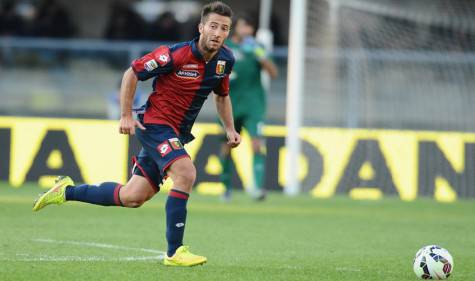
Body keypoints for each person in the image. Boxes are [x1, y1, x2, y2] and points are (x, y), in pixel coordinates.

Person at [32, 1, 239, 267]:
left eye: (224, 28)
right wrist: (126, 114)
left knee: (132, 197)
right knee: (186, 173)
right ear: (201, 27)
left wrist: (230, 128)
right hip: (155, 124)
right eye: (213, 26)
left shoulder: (225, 60)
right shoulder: (174, 55)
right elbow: (132, 73)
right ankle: (175, 252)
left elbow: (222, 96)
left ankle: (66, 191)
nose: (218, 33)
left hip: (176, 132)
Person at [219, 13, 278, 201]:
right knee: (227, 147)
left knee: (257, 144)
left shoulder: (257, 48)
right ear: (236, 27)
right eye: (244, 26)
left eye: (250, 28)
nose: (247, 31)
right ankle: (226, 188)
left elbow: (273, 73)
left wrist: (261, 56)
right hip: (230, 105)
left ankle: (258, 188)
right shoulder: (225, 48)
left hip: (254, 106)